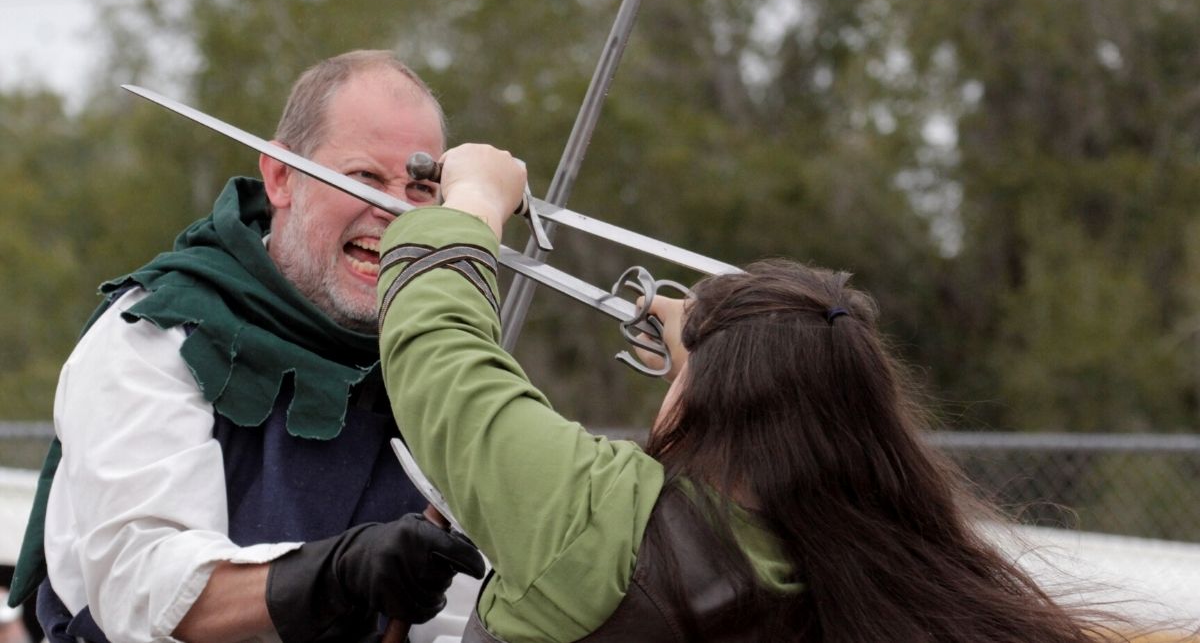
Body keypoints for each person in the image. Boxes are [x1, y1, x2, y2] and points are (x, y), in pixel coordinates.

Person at [374, 143, 1134, 642]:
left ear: (714, 401)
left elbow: (440, 356)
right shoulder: (857, 566)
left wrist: (471, 199)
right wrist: (713, 343)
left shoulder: (597, 521)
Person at [8, 51, 484, 643]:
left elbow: (474, 615)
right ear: (281, 177)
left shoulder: (439, 370)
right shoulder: (158, 333)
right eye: (363, 177)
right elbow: (142, 588)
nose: (393, 210)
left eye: (419, 188)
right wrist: (336, 574)